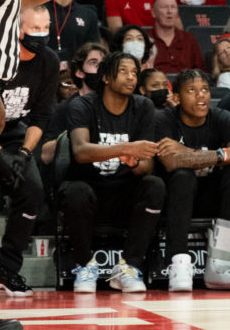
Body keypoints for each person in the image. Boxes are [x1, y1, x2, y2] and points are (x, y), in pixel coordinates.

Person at [62, 51, 164, 294]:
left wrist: (132, 161)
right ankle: (85, 266)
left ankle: (128, 268)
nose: (131, 78)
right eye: (123, 71)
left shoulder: (143, 106)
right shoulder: (82, 105)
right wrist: (124, 148)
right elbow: (81, 151)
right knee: (75, 191)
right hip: (89, 190)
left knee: (155, 185)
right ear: (106, 77)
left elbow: (146, 165)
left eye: (134, 73)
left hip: (125, 193)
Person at [155, 68, 230, 291]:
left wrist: (185, 152)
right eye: (191, 90)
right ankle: (179, 263)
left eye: (204, 90)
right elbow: (171, 162)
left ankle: (220, 263)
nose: (201, 95)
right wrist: (223, 155)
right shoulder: (164, 119)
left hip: (212, 198)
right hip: (175, 200)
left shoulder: (221, 117)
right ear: (176, 98)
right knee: (183, 176)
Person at [0, 6, 57, 298]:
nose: (41, 35)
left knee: (31, 190)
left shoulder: (49, 61)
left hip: (16, 130)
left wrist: (23, 153)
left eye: (46, 28)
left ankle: (5, 271)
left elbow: (42, 116)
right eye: (35, 28)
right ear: (17, 30)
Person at [149, 0, 205, 75]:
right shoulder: (146, 39)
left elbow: (200, 71)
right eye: (164, 7)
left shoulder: (189, 39)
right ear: (153, 12)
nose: (169, 11)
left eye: (173, 7)